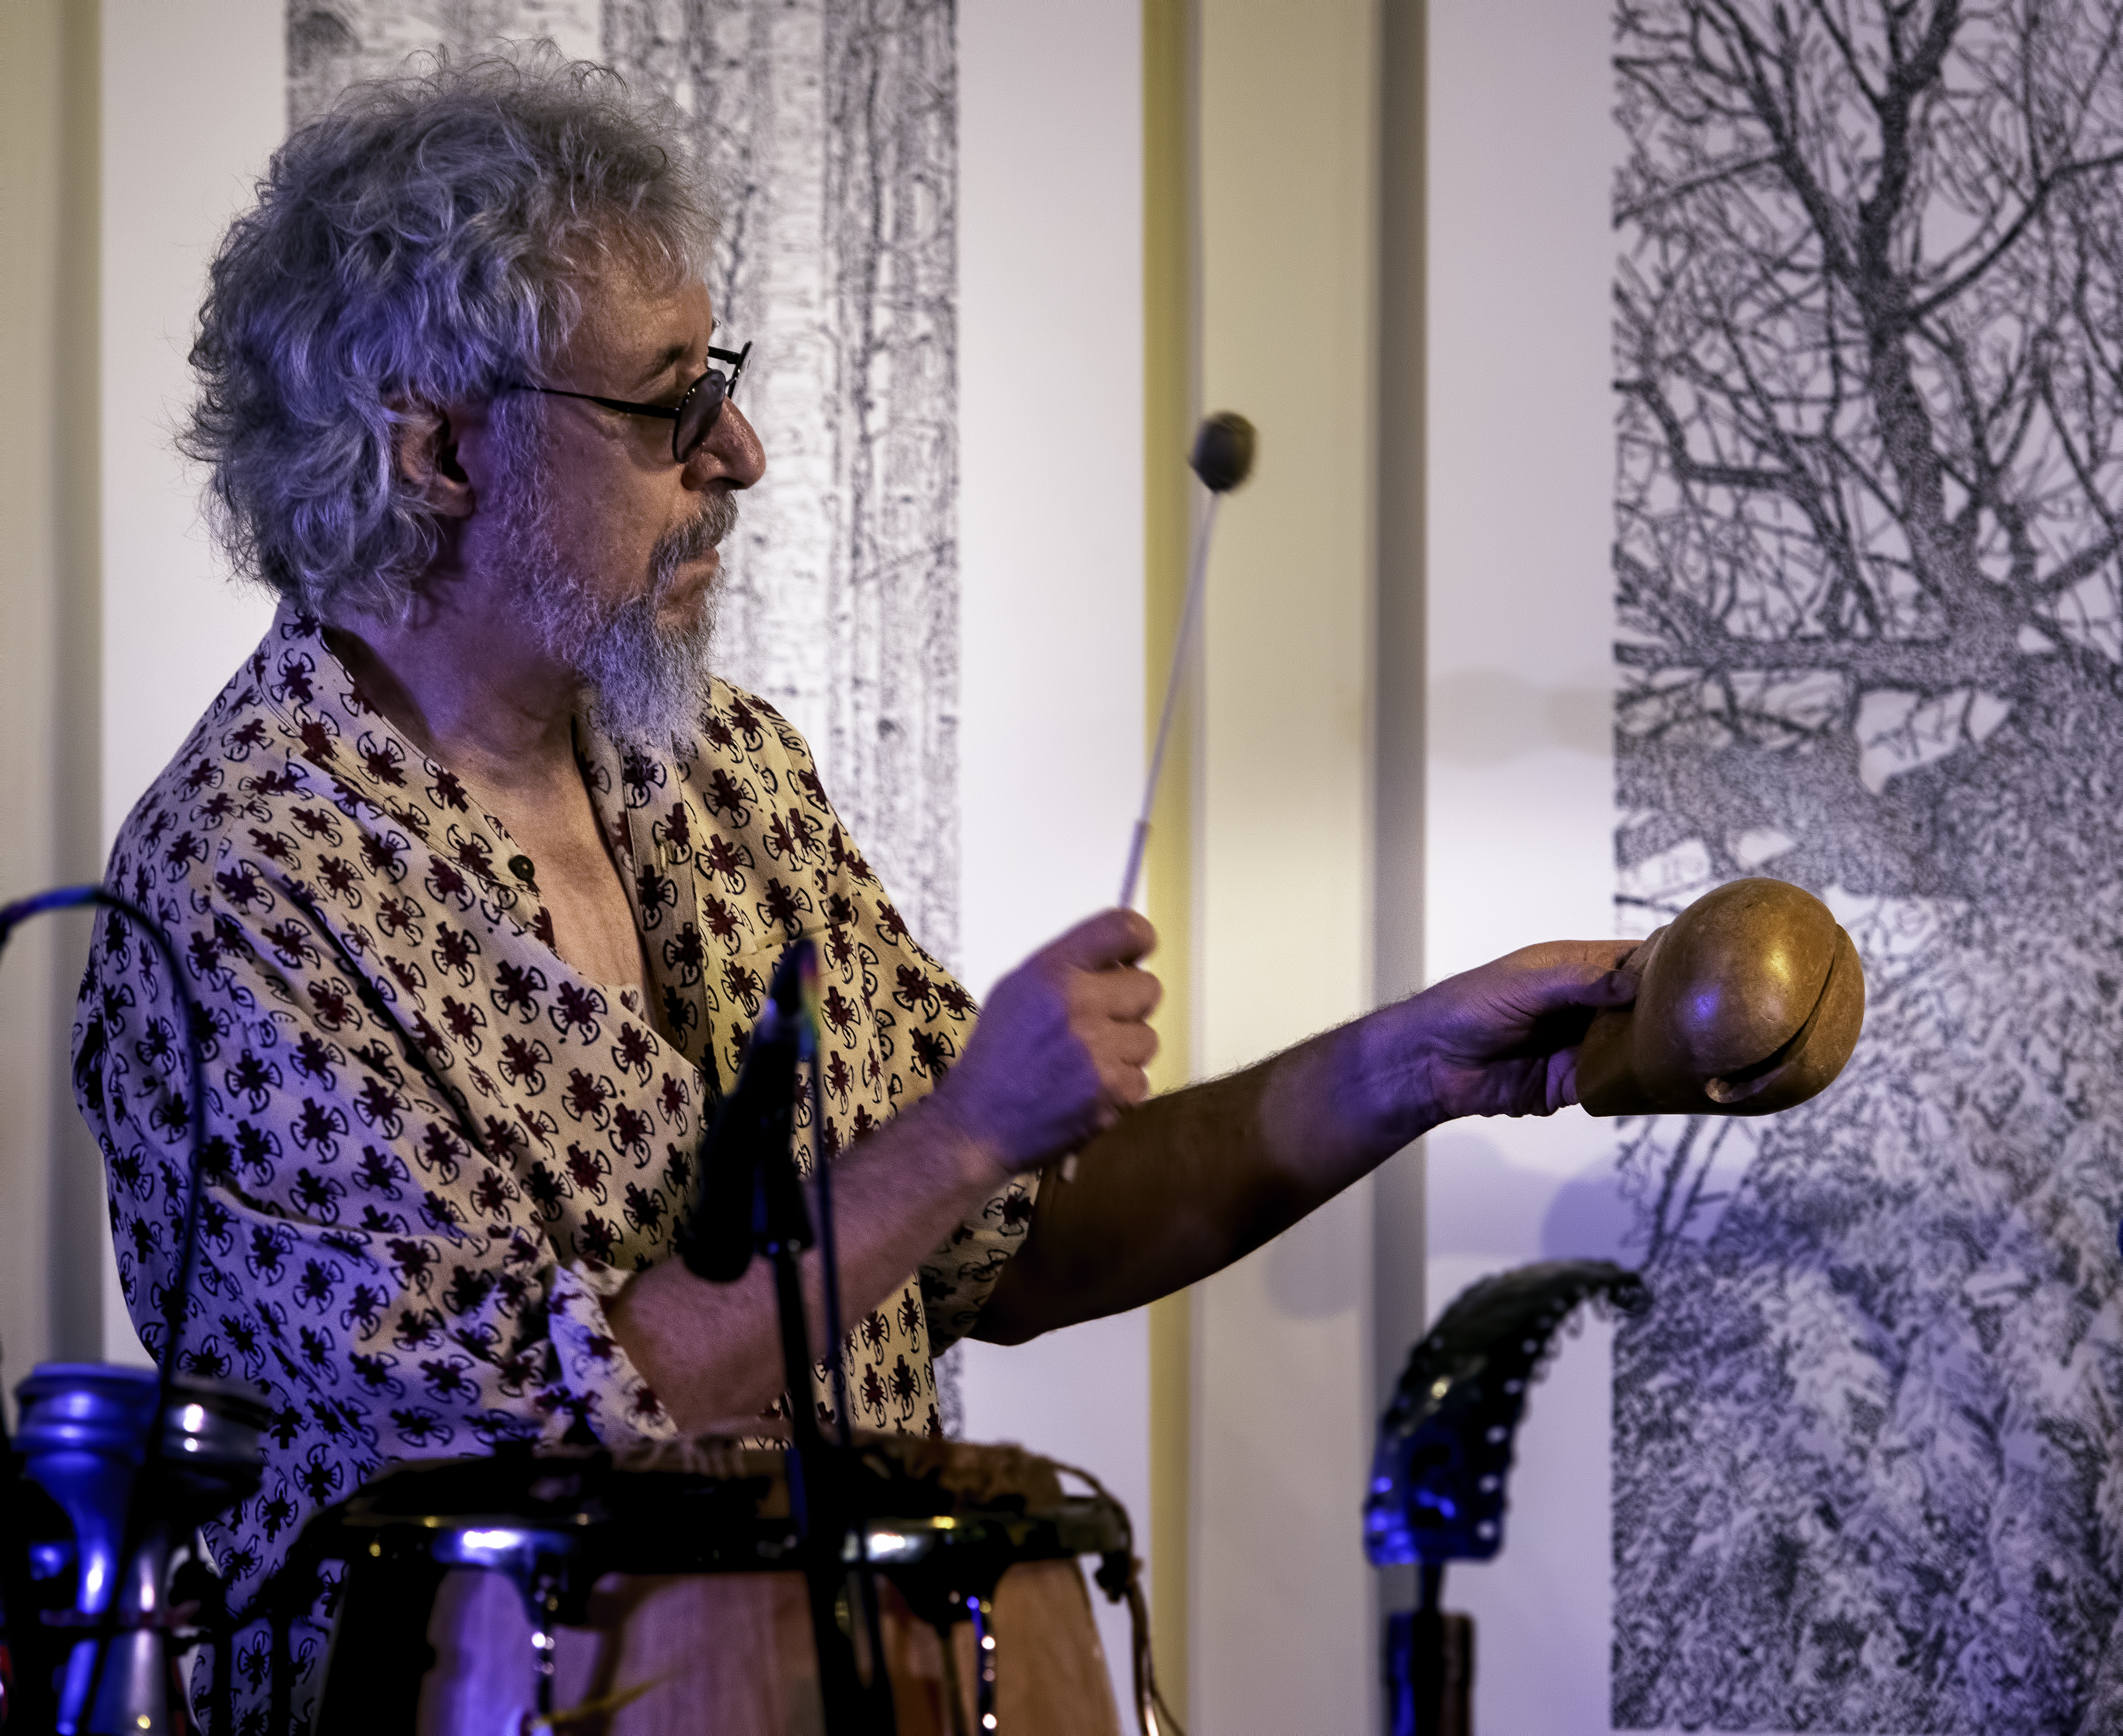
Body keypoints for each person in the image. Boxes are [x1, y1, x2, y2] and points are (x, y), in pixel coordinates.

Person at [70, 51, 1634, 1726]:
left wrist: (1419, 1066)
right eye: (668, 401)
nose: (737, 451)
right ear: (439, 450)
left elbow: (1009, 1243)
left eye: (720, 380)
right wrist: (958, 1131)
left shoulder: (726, 774)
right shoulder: (240, 889)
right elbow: (527, 1447)